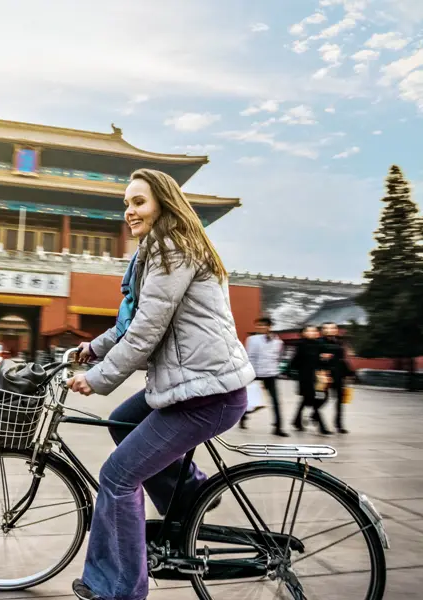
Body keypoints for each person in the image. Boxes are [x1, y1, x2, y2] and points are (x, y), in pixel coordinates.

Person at [65, 168, 255, 600]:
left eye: (139, 202)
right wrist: (90, 350)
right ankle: (190, 496)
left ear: (163, 204)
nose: (129, 211)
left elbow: (147, 331)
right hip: (192, 386)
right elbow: (131, 322)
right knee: (122, 422)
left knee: (117, 477)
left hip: (208, 394)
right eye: (126, 204)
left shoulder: (172, 249)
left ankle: (121, 589)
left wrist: (98, 379)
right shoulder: (152, 252)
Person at [243, 316, 288, 436]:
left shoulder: (278, 341)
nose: (260, 328)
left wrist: (276, 370)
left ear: (269, 327)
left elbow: (278, 357)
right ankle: (243, 417)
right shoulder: (251, 339)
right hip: (255, 373)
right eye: (258, 326)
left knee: (275, 400)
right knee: (248, 398)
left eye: (263, 326)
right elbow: (249, 356)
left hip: (270, 374)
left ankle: (278, 427)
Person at [288, 325, 331, 435]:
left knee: (318, 398)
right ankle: (322, 426)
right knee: (311, 399)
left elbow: (322, 362)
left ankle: (297, 421)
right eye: (309, 331)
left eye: (314, 330)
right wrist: (290, 371)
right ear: (304, 333)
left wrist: (325, 360)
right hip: (305, 377)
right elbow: (295, 361)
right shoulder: (301, 345)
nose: (312, 332)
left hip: (317, 377)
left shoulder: (319, 345)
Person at [319, 322, 353, 434]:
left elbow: (342, 359)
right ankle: (315, 414)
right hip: (325, 375)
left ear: (336, 330)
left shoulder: (339, 342)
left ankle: (339, 424)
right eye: (327, 328)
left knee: (339, 400)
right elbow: (316, 359)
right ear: (323, 330)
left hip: (338, 375)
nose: (330, 330)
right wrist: (322, 358)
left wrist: (349, 373)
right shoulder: (319, 343)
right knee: (323, 398)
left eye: (333, 328)